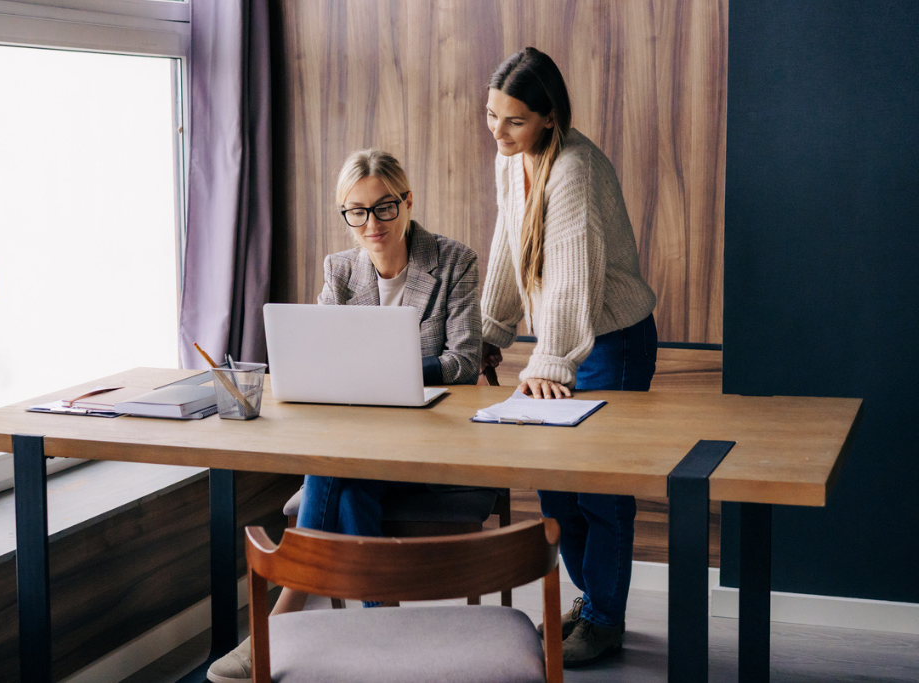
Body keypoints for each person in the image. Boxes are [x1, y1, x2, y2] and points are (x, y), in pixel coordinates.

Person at [208, 149, 481, 683]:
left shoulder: (454, 262)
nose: (370, 224)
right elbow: (321, 353)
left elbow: (465, 362)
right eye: (355, 211)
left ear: (407, 202)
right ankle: (382, 629)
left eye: (383, 208)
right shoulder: (341, 269)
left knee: (332, 469)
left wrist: (397, 364)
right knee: (349, 484)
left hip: (427, 440)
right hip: (357, 440)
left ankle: (285, 611)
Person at [480, 47, 658, 667]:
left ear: (550, 117)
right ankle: (593, 599)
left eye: (514, 121)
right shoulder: (514, 159)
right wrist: (491, 330)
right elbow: (508, 243)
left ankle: (605, 617)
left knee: (600, 493)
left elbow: (571, 278)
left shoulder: (574, 169)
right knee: (555, 488)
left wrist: (550, 360)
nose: (498, 132)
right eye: (492, 116)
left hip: (610, 341)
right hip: (562, 341)